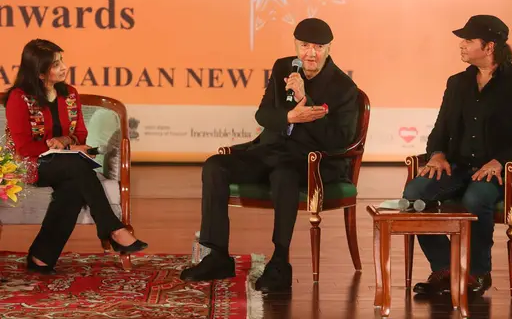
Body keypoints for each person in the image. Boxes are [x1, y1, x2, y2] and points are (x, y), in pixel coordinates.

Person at [180, 18, 359, 291]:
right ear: (296, 45)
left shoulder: (343, 87)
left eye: (318, 47)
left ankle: (280, 263)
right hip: (270, 149)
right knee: (215, 166)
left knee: (284, 176)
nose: (310, 53)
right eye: (305, 46)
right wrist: (289, 116)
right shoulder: (283, 68)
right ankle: (217, 255)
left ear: (329, 49)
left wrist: (305, 101)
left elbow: (339, 141)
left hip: (311, 160)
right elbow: (263, 114)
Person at [403, 15, 512, 295]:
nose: (461, 45)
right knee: (414, 193)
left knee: (476, 197)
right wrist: (437, 154)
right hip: (459, 166)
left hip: (505, 171)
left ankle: (478, 273)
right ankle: (446, 268)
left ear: (490, 46)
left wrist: (501, 161)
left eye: (469, 40)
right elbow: (440, 127)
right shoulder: (457, 82)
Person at [4, 39, 148, 275]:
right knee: (76, 164)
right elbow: (24, 147)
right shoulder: (19, 99)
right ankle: (112, 228)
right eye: (56, 64)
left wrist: (66, 142)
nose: (64, 68)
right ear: (40, 73)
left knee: (72, 184)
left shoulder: (69, 93)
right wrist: (62, 147)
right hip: (31, 165)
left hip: (66, 166)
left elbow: (80, 133)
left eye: (62, 61)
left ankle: (41, 257)